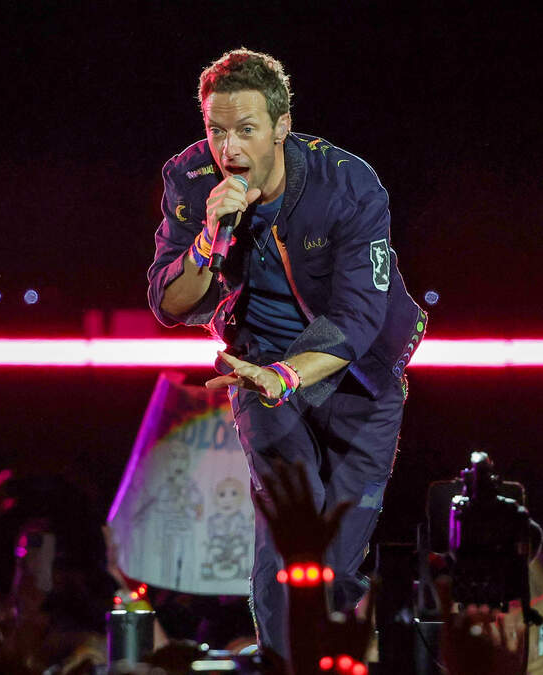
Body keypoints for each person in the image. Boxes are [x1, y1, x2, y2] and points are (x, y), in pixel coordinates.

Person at [146, 47, 427, 660]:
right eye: (216, 131)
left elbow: (359, 318)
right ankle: (283, 666)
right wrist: (207, 240)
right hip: (259, 370)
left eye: (246, 130)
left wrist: (287, 374)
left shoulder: (347, 184)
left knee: (337, 562)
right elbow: (168, 302)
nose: (229, 150)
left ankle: (331, 661)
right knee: (289, 547)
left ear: (281, 126)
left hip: (358, 377)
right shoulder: (189, 180)